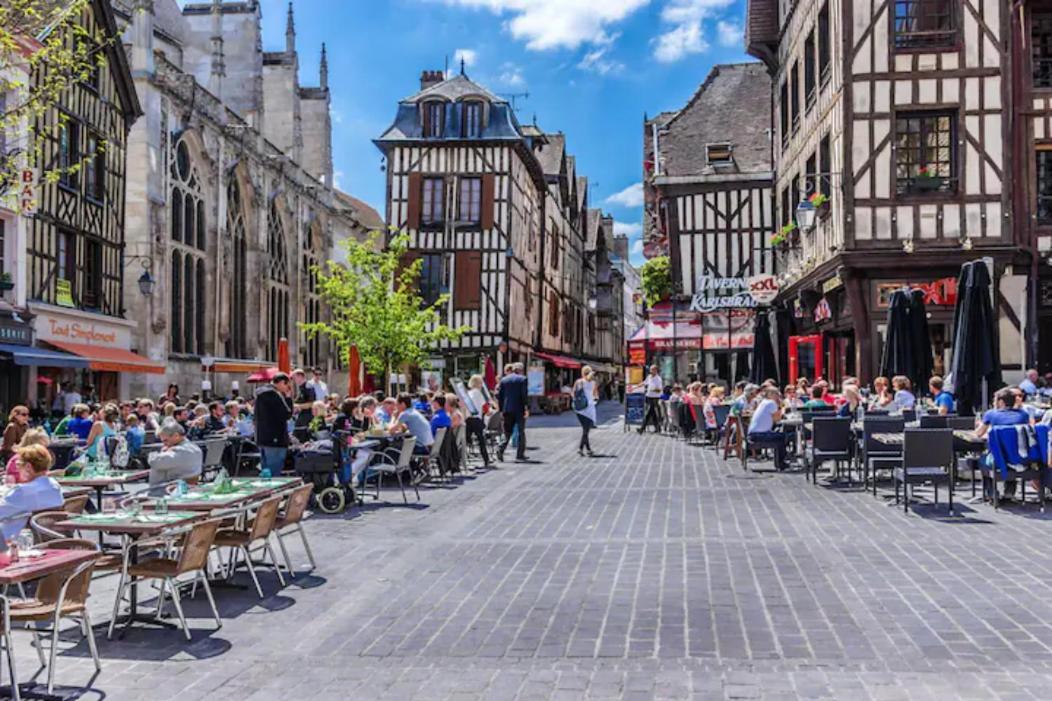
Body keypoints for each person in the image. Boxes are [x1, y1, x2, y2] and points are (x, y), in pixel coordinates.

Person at [975, 388, 1033, 501]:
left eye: (995, 400)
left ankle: (991, 492)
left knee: (982, 460)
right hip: (1021, 459)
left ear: (1001, 402)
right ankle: (1009, 491)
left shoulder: (991, 414)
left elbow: (979, 433)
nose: (993, 403)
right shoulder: (1024, 415)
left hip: (997, 460)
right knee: (1011, 451)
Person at [0, 445, 63, 542]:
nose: (17, 469)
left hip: (13, 542)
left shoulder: (21, 492)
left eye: (18, 465)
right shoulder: (55, 486)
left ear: (28, 467)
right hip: (50, 540)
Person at [254, 372, 294, 477]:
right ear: (281, 383)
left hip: (262, 438)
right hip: (275, 440)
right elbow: (287, 414)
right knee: (274, 473)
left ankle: (264, 492)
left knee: (265, 472)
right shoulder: (275, 395)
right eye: (287, 385)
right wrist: (288, 398)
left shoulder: (260, 395)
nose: (287, 389)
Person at [146, 420, 203, 488]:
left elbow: (154, 462)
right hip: (187, 488)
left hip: (165, 490)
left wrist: (153, 454)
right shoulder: (196, 448)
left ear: (176, 436)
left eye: (166, 440)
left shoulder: (179, 451)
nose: (164, 444)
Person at [747, 387, 788, 470]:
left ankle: (779, 462)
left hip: (753, 434)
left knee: (779, 435)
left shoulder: (764, 402)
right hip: (759, 435)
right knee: (783, 436)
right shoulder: (771, 403)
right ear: (770, 394)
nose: (778, 396)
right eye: (776, 394)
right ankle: (780, 463)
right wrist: (782, 409)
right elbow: (777, 420)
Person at [497, 363, 529, 461]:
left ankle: (501, 449)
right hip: (519, 409)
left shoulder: (504, 380)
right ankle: (520, 454)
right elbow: (524, 395)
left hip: (507, 409)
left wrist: (501, 409)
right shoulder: (523, 379)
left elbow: (500, 396)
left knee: (507, 432)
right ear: (520, 370)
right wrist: (526, 408)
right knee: (520, 432)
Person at [464, 375, 492, 467]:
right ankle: (486, 459)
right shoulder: (479, 394)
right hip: (477, 419)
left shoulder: (468, 393)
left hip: (468, 419)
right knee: (481, 441)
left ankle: (463, 460)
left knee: (465, 440)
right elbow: (485, 408)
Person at [573, 365, 598, 457]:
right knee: (586, 430)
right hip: (589, 408)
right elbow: (596, 395)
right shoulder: (594, 383)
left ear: (582, 373)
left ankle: (585, 449)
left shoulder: (578, 382)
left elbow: (573, 393)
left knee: (585, 430)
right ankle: (583, 449)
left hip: (580, 409)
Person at [638, 365, 664, 434]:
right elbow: (645, 382)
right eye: (650, 370)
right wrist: (640, 384)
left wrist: (653, 389)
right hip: (648, 396)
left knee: (648, 413)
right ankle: (658, 428)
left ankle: (642, 428)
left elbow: (660, 390)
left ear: (656, 370)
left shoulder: (658, 379)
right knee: (652, 413)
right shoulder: (649, 377)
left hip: (655, 398)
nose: (651, 371)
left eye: (652, 370)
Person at [291, 369, 317, 435]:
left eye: (295, 377)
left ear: (300, 376)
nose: (294, 380)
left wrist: (298, 406)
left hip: (307, 417)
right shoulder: (301, 388)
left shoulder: (308, 386)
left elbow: (311, 403)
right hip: (302, 416)